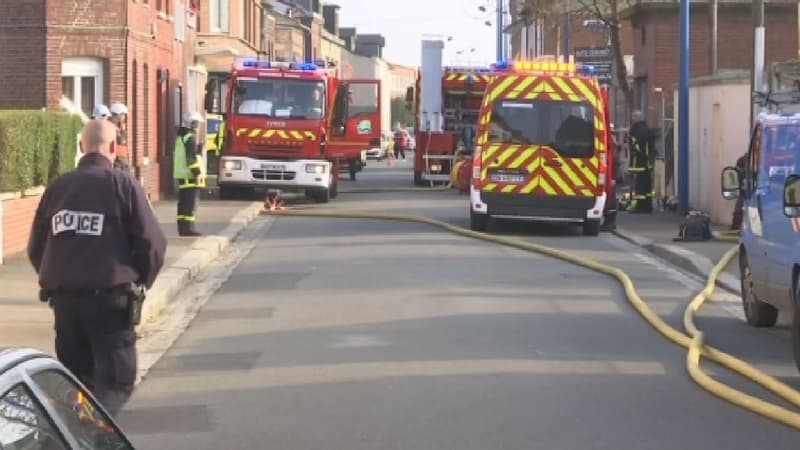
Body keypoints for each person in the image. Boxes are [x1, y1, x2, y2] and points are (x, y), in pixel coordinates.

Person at [27, 119, 166, 417]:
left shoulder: (57, 188)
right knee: (115, 384)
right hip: (110, 303)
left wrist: (58, 277)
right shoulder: (123, 185)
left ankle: (74, 432)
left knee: (75, 384)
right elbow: (152, 244)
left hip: (65, 304)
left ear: (81, 147)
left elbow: (36, 248)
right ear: (114, 147)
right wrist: (140, 281)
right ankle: (93, 437)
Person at [174, 111, 207, 237]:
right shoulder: (190, 138)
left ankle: (183, 229)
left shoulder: (181, 137)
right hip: (190, 177)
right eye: (196, 123)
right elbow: (190, 158)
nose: (198, 125)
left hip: (182, 176)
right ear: (192, 123)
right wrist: (197, 173)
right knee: (190, 204)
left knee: (183, 204)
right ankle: (188, 230)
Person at [627, 110, 656, 213]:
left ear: (638, 118)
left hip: (638, 163)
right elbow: (651, 147)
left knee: (640, 186)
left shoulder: (635, 130)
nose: (632, 119)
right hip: (647, 163)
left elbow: (635, 147)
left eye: (633, 117)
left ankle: (640, 208)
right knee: (647, 187)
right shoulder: (647, 129)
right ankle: (648, 207)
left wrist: (632, 166)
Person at [109, 102, 131, 173]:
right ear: (118, 115)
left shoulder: (118, 127)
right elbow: (121, 141)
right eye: (123, 115)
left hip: (122, 160)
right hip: (117, 161)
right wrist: (123, 131)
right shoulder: (111, 127)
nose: (124, 117)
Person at [730, 152, 748, 230]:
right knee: (739, 209)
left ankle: (736, 226)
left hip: (747, 190)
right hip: (745, 191)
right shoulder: (743, 160)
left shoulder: (744, 159)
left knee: (739, 209)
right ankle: (736, 226)